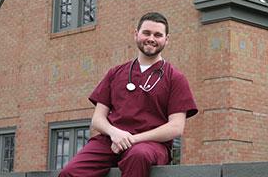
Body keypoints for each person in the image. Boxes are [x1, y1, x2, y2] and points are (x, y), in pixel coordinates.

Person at [59, 12, 198, 177]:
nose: (151, 38)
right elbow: (97, 119)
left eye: (158, 35)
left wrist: (132, 139)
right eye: (146, 33)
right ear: (136, 34)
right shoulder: (116, 73)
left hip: (150, 144)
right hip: (110, 140)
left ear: (166, 39)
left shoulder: (175, 77)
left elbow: (176, 127)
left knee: (137, 156)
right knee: (70, 172)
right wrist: (114, 133)